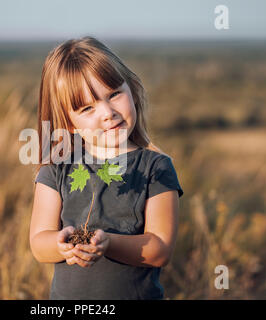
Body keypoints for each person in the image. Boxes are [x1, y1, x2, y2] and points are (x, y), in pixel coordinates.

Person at [30, 36, 184, 300]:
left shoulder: (156, 167)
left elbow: (160, 250)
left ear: (132, 89)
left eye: (114, 94)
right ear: (69, 123)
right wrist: (63, 245)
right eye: (87, 108)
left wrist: (108, 243)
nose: (107, 112)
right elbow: (38, 244)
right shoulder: (57, 167)